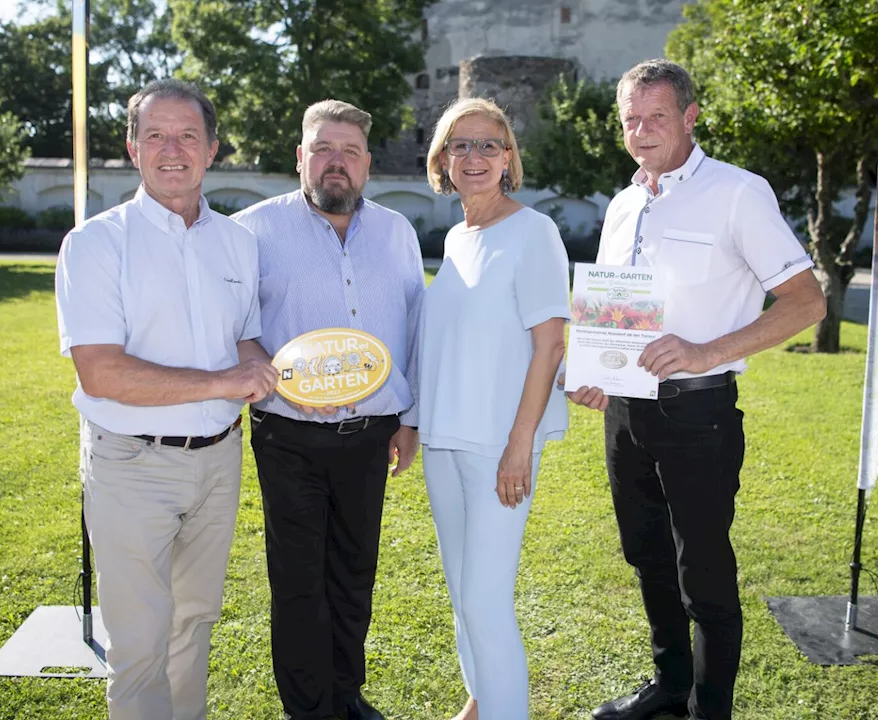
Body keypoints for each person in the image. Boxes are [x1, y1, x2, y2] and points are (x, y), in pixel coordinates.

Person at [568, 60, 827, 720]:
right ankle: (670, 688)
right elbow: (618, 311)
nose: (642, 131)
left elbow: (806, 302)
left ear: (690, 117)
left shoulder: (738, 192)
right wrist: (596, 370)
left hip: (699, 414)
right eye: (630, 119)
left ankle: (712, 712)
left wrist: (706, 351)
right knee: (646, 554)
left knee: (704, 577)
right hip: (626, 413)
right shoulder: (623, 203)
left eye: (657, 117)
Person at [55, 78, 277, 720]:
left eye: (187, 135)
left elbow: (246, 342)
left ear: (212, 149)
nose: (171, 149)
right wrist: (223, 384)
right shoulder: (95, 244)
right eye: (155, 135)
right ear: (132, 148)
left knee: (195, 624)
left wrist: (286, 373)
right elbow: (101, 374)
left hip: (218, 460)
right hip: (132, 464)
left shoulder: (237, 243)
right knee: (139, 641)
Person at [232, 100, 424, 720]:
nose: (334, 163)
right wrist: (257, 362)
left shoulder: (398, 230)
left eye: (348, 152)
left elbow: (416, 325)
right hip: (289, 434)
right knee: (297, 579)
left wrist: (410, 418)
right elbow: (234, 325)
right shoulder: (253, 231)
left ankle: (346, 693)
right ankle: (308, 708)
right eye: (322, 149)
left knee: (353, 571)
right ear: (300, 157)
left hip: (370, 435)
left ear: (368, 163)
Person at [417, 98, 571, 720]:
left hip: (499, 449)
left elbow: (550, 343)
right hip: (444, 441)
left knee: (485, 600)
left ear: (508, 158)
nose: (474, 157)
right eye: (461, 145)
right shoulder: (456, 237)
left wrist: (519, 445)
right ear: (443, 161)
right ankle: (481, 701)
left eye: (488, 145)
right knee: (461, 593)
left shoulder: (534, 232)